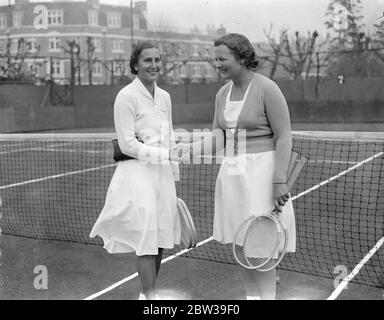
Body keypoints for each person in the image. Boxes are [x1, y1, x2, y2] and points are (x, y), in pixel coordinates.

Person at [187, 33, 295, 300]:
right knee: (242, 242)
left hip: (263, 174)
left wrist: (279, 179)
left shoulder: (267, 88)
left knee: (263, 243)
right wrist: (190, 150)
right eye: (215, 59)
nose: (217, 64)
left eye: (222, 59)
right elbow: (219, 135)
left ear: (242, 58)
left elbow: (284, 136)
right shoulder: (222, 93)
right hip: (233, 175)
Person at [89, 41, 185, 300]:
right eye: (147, 60)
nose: (153, 65)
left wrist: (173, 171)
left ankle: (147, 297)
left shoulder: (165, 97)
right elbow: (127, 144)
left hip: (162, 176)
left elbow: (170, 135)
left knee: (161, 241)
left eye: (157, 60)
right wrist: (164, 154)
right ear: (135, 65)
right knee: (146, 241)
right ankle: (151, 299)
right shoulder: (126, 96)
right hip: (137, 175)